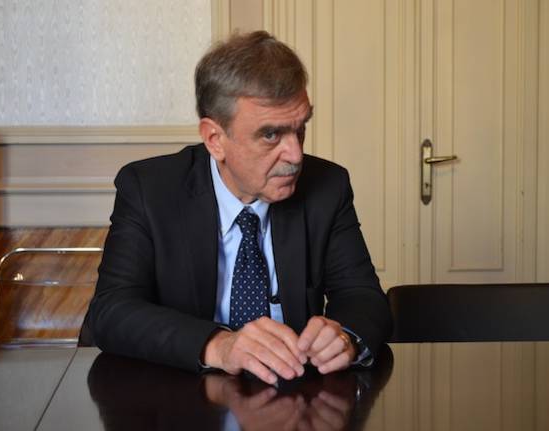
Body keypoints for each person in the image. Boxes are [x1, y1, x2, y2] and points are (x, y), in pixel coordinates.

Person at [86, 30, 392, 385]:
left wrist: (344, 337)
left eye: (300, 129)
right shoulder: (149, 189)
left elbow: (363, 297)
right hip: (182, 394)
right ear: (215, 139)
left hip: (296, 392)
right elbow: (112, 310)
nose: (295, 155)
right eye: (271, 135)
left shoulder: (327, 186)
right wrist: (219, 345)